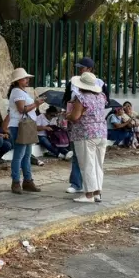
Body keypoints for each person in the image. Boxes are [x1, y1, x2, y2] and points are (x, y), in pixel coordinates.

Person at [61, 58, 108, 194]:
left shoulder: (81, 98)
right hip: (101, 132)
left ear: (90, 69)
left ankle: (88, 194)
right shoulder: (101, 97)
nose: (80, 70)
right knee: (98, 164)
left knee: (86, 164)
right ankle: (97, 192)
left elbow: (75, 117)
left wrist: (68, 115)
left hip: (84, 132)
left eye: (82, 67)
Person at [8, 67, 43, 195]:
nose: (27, 80)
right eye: (25, 78)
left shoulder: (21, 91)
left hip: (25, 125)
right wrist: (36, 104)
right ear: (18, 80)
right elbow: (22, 109)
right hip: (19, 126)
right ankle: (16, 181)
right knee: (20, 154)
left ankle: (27, 180)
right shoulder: (17, 92)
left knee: (26, 154)